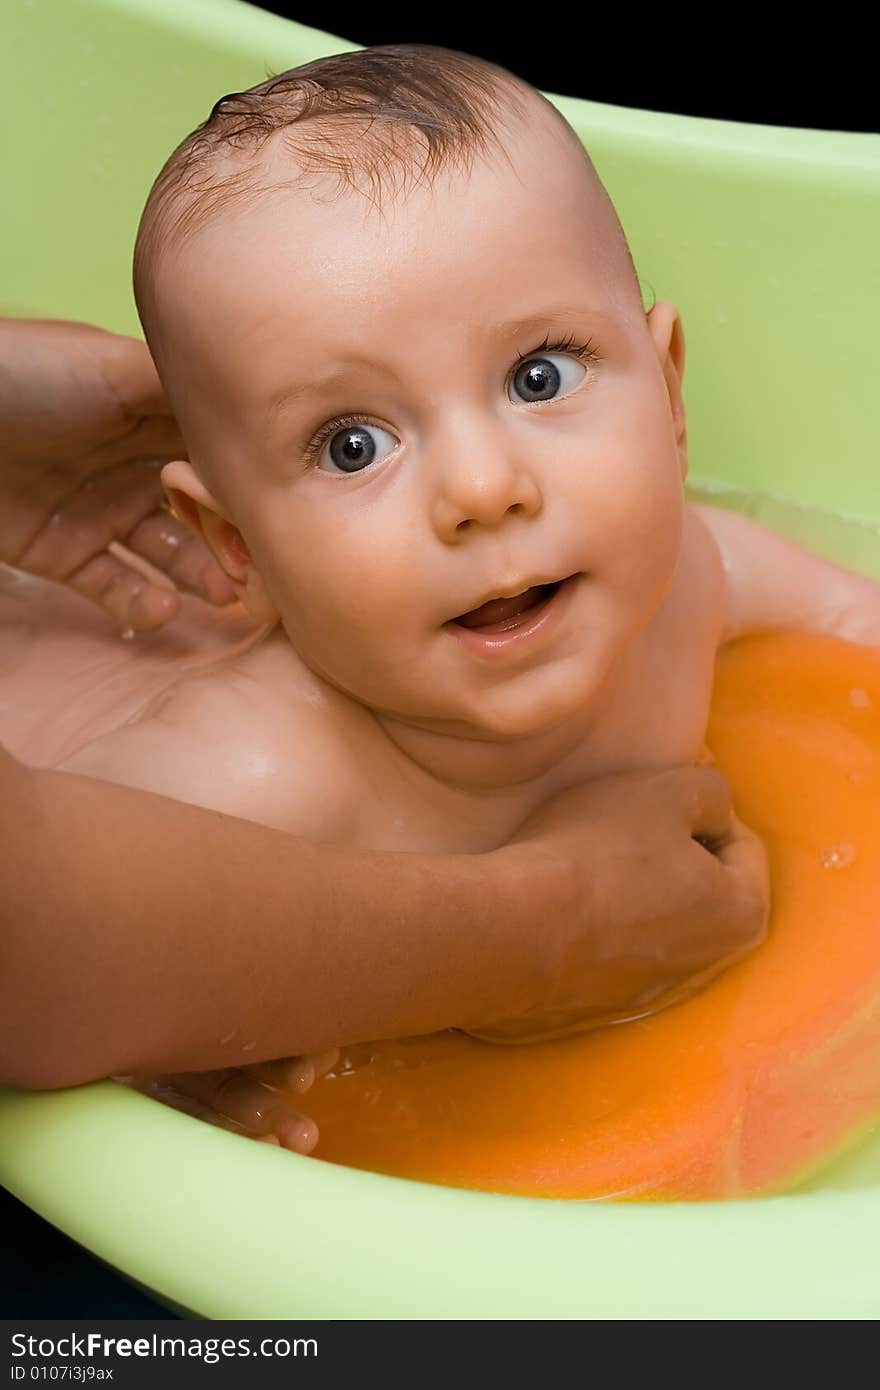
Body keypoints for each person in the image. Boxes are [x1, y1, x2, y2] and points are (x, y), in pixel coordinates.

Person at [0, 45, 785, 1150]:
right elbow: (63, 960)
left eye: (538, 376)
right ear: (239, 545)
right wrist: (165, 1054)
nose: (479, 489)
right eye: (353, 444)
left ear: (666, 394)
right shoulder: (246, 786)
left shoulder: (683, 576)